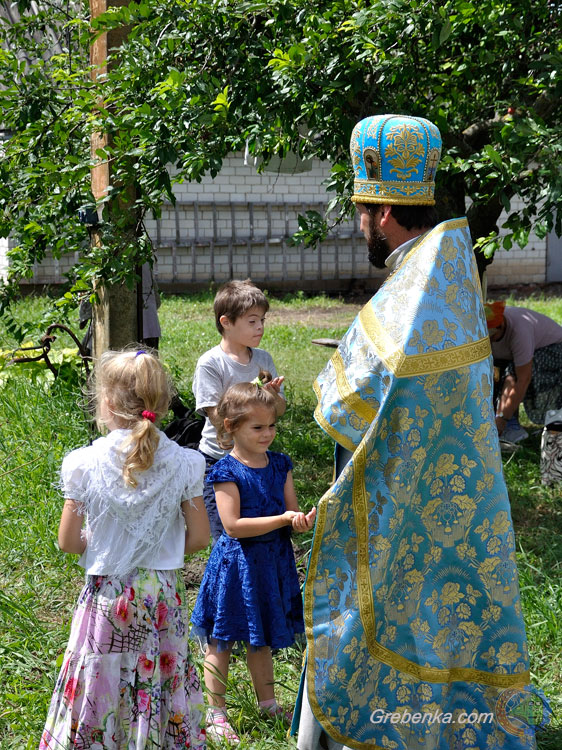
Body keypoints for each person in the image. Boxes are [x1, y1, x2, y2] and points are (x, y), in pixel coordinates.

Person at [294, 115, 549, 750]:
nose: (358, 225)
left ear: (382, 212)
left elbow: (346, 401)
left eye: (360, 211)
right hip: (445, 495)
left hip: (394, 499)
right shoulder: (448, 274)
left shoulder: (411, 294)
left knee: (379, 626)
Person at [40, 349, 210, 750]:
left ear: (108, 402)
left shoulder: (83, 462)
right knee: (159, 675)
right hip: (161, 595)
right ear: (163, 404)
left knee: (101, 675)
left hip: (107, 595)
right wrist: (161, 550)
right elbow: (200, 537)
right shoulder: (187, 462)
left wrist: (99, 547)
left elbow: (68, 541)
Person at [190, 374, 316, 743]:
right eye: (258, 427)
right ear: (231, 428)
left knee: (260, 640)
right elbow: (232, 526)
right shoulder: (225, 471)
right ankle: (215, 713)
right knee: (222, 640)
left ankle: (268, 703)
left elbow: (290, 513)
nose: (267, 433)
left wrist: (300, 522)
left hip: (272, 565)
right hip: (238, 568)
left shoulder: (280, 464)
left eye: (272, 425)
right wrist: (281, 519)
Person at [192, 279, 286, 543]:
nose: (260, 327)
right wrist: (253, 407)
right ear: (226, 322)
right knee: (227, 535)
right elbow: (215, 416)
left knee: (258, 530)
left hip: (257, 459)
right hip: (219, 460)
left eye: (262, 321)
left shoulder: (263, 359)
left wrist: (272, 398)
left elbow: (278, 410)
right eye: (252, 321)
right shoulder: (211, 364)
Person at [485, 300, 562, 441]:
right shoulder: (486, 326)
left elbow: (523, 379)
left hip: (556, 350)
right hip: (511, 355)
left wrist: (501, 420)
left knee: (512, 373)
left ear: (501, 326)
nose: (488, 341)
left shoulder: (519, 332)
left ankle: (509, 425)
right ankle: (500, 419)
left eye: (491, 337)